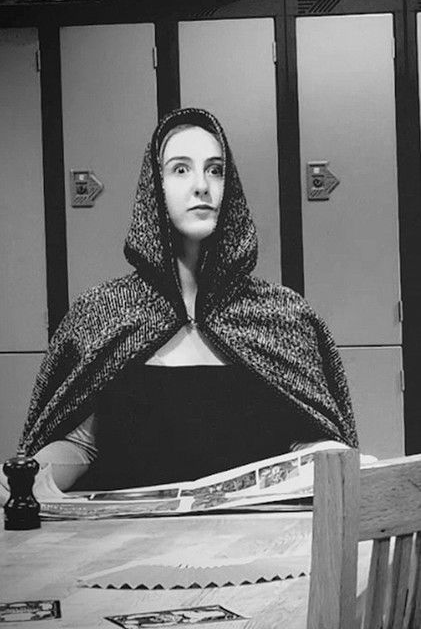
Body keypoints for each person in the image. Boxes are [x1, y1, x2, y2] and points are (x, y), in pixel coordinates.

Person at [0, 107, 357, 498]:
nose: (202, 185)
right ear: (155, 187)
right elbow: (81, 445)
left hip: (254, 534)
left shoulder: (283, 316)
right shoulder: (104, 312)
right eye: (181, 169)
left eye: (215, 170)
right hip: (133, 535)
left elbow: (305, 442)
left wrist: (340, 457)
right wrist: (21, 480)